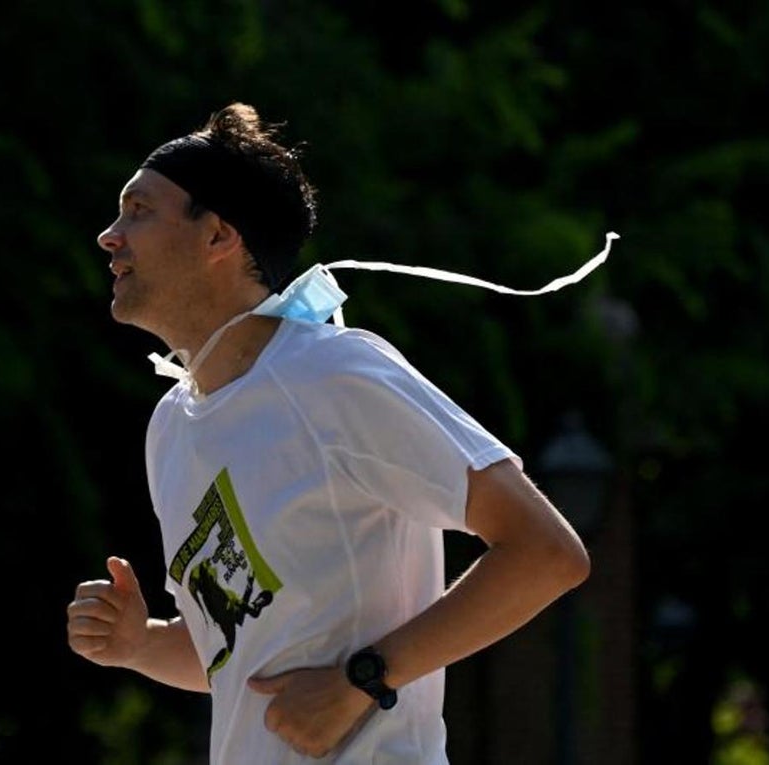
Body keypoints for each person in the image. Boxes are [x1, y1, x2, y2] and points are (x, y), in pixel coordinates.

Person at [66, 101, 593, 763]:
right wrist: (141, 643)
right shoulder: (172, 424)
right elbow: (238, 658)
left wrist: (366, 678)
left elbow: (546, 553)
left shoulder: (332, 373)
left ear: (218, 236)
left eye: (139, 211)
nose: (109, 236)